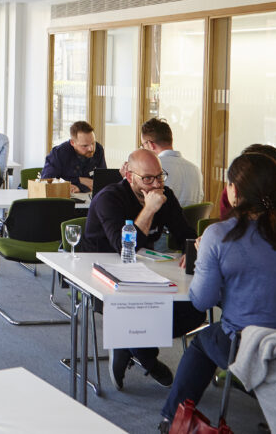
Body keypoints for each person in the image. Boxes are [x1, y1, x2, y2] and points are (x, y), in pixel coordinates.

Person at [158, 152, 276, 432]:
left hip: (251, 348)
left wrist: (208, 263)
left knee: (203, 341)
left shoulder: (219, 235)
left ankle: (171, 422)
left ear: (233, 191)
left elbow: (202, 301)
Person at [81, 149, 205, 389]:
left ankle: (132, 346)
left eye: (160, 176)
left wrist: (195, 248)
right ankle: (146, 356)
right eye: (148, 178)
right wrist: (148, 210)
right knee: (140, 307)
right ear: (129, 176)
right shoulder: (110, 198)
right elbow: (122, 247)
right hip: (100, 275)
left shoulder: (164, 194)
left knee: (195, 308)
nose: (156, 184)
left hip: (143, 270)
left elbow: (185, 234)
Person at [140, 117, 204, 206]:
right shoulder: (195, 169)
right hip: (192, 220)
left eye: (143, 145)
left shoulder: (152, 169)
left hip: (162, 219)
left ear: (150, 145)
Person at [42, 120, 106, 194]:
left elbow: (102, 181)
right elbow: (47, 180)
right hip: (65, 198)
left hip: (90, 198)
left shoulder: (98, 149)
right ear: (72, 143)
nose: (91, 149)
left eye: (93, 143)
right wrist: (79, 180)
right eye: (85, 146)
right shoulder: (58, 153)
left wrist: (79, 185)